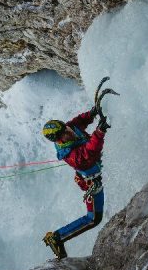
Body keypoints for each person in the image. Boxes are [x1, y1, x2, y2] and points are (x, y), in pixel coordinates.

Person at [42, 105, 110, 259]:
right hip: (91, 184)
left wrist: (91, 114)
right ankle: (57, 237)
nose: (69, 131)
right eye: (65, 132)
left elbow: (78, 121)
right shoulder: (74, 157)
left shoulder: (67, 129)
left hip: (92, 177)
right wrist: (99, 132)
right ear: (60, 139)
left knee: (93, 218)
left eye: (66, 127)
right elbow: (89, 152)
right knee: (93, 218)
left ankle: (57, 237)